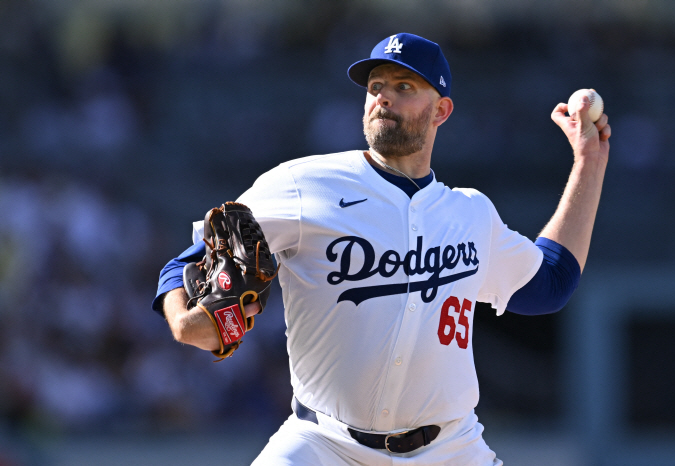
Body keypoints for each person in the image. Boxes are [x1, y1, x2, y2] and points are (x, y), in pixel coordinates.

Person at [153, 33, 610, 466]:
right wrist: (180, 316)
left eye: (404, 85)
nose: (383, 97)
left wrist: (588, 163)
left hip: (449, 448)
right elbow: (188, 259)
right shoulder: (302, 185)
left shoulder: (471, 214)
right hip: (324, 443)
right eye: (375, 86)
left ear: (441, 110)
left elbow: (550, 284)